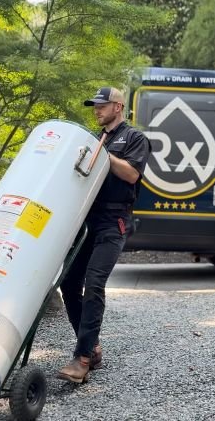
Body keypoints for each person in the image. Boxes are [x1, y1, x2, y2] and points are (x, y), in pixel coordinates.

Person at [56, 86, 150, 384]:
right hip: (86, 221)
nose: (96, 110)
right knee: (69, 283)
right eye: (94, 106)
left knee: (94, 284)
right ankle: (92, 347)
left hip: (113, 221)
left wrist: (102, 154)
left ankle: (82, 359)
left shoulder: (134, 138)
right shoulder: (95, 139)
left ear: (118, 107)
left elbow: (132, 174)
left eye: (102, 105)